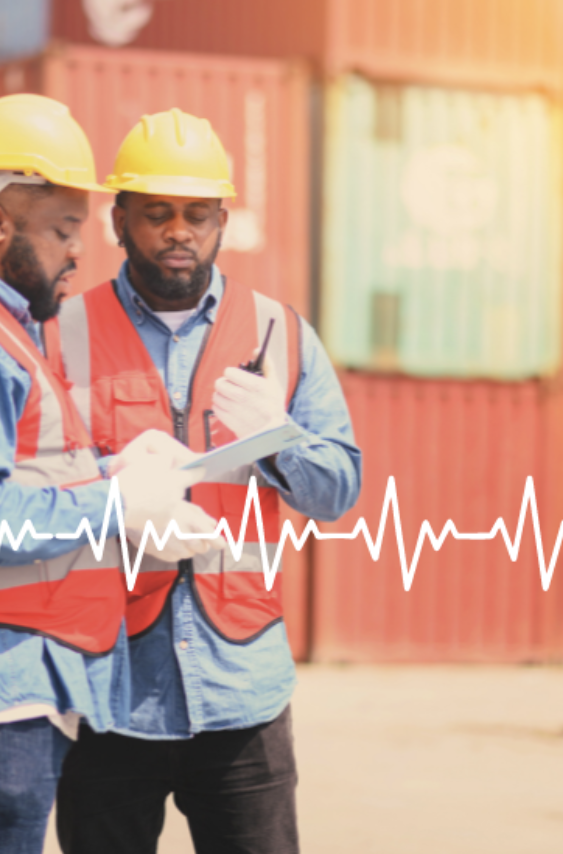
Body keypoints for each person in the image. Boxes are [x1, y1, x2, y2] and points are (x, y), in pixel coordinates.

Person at [0, 94, 218, 854]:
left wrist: (116, 472)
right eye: (61, 230)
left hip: (6, 689)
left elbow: (16, 477)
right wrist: (116, 502)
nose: (76, 253)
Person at [49, 108, 363, 854]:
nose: (178, 231)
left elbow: (339, 490)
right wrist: (106, 483)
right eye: (157, 214)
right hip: (108, 690)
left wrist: (276, 444)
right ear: (119, 220)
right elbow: (27, 487)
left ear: (223, 220)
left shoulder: (279, 334)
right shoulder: (60, 337)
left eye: (196, 214)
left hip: (242, 692)